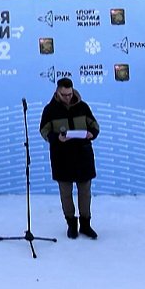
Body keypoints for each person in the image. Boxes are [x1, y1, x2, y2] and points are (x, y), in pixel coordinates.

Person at [39, 77, 99, 239]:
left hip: (83, 156)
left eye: (70, 94)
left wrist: (91, 133)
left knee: (85, 192)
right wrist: (56, 138)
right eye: (64, 94)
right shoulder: (49, 110)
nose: (68, 97)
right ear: (57, 92)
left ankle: (86, 225)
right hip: (61, 158)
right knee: (66, 193)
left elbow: (94, 125)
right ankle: (71, 224)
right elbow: (44, 131)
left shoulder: (83, 107)